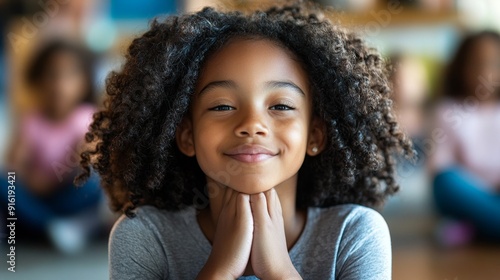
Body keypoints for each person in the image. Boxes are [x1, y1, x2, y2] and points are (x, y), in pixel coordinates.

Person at [76, 2, 412, 279]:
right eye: (222, 106)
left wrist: (279, 270)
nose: (252, 125)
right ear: (187, 136)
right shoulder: (144, 237)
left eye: (280, 106)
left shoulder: (354, 235)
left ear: (315, 135)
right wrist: (219, 269)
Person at [1, 39, 103, 253]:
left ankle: (53, 227)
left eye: (69, 75)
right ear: (38, 81)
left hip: (69, 194)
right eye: (52, 75)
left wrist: (47, 183)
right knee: (5, 183)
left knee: (92, 180)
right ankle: (55, 227)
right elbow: (14, 164)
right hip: (38, 197)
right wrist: (27, 178)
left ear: (84, 82)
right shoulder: (32, 121)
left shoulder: (84, 118)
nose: (59, 85)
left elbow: (80, 160)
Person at [431, 30, 500, 246]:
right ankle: (484, 221)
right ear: (461, 68)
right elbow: (440, 168)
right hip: (468, 194)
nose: (484, 72)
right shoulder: (448, 111)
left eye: (492, 63)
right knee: (445, 181)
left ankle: (476, 227)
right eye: (476, 63)